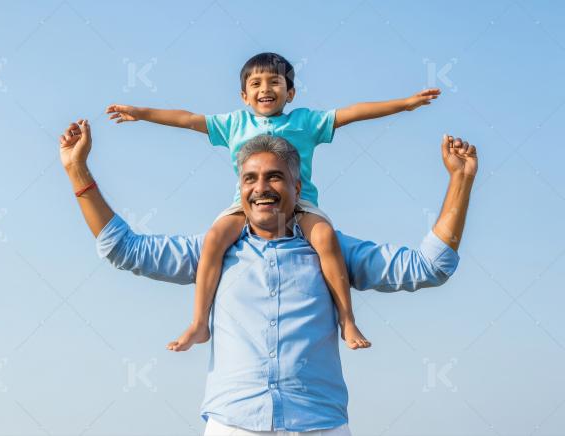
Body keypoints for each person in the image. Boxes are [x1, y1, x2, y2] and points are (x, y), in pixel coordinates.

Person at [58, 118, 476, 434]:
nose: (262, 187)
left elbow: (429, 267)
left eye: (274, 176)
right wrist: (78, 171)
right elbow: (125, 249)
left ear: (297, 187)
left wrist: (461, 180)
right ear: (240, 190)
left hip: (320, 423)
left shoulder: (332, 248)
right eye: (250, 178)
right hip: (234, 422)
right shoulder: (215, 251)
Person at [106, 52, 442, 351]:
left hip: (301, 205)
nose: (265, 89)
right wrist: (142, 112)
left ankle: (347, 320)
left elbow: (353, 113)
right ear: (244, 95)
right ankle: (198, 322)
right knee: (214, 239)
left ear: (290, 92)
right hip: (246, 206)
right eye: (256, 83)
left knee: (325, 238)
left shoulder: (305, 121)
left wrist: (405, 103)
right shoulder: (233, 123)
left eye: (275, 82)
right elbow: (187, 118)